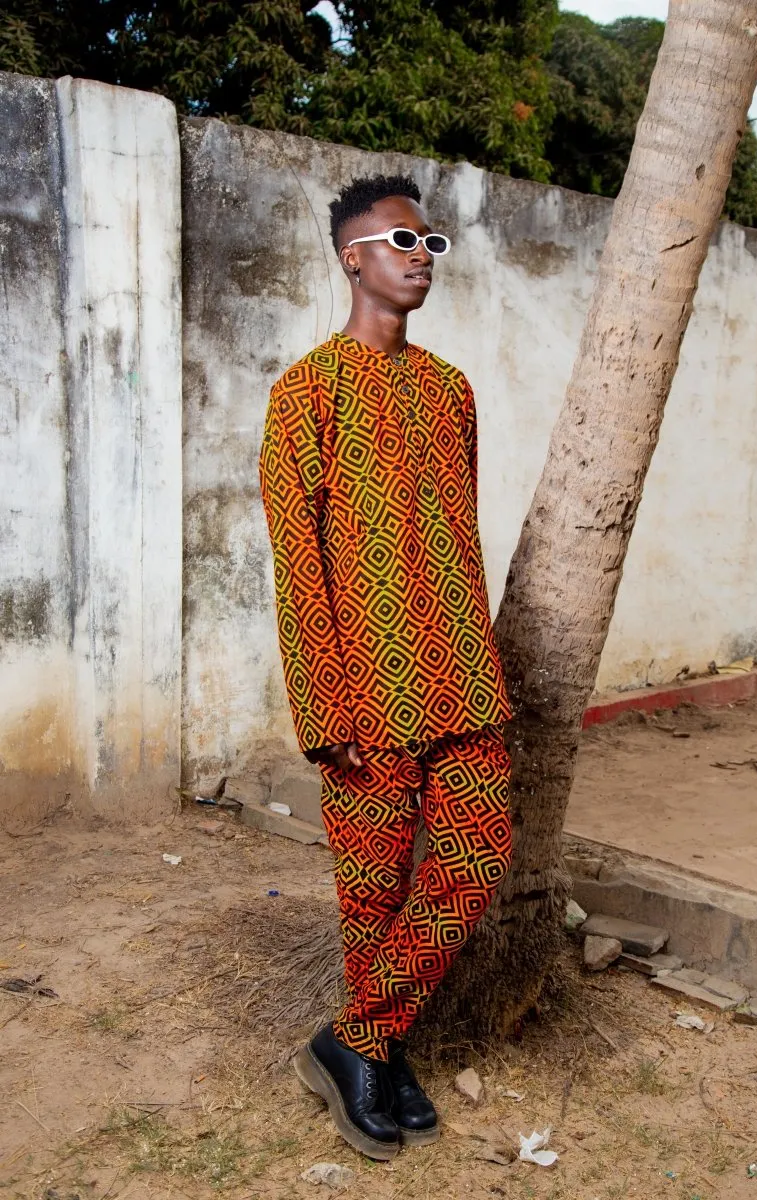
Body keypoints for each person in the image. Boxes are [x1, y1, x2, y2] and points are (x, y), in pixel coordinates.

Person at [259, 174, 512, 1161]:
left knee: (473, 858)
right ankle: (379, 1059)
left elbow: (459, 536)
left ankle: (352, 1037)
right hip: (363, 690)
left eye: (429, 240)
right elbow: (298, 564)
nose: (419, 253)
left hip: (462, 675)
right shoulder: (304, 392)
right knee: (370, 899)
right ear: (350, 257)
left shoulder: (450, 390)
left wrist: (477, 651)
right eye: (398, 238)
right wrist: (324, 709)